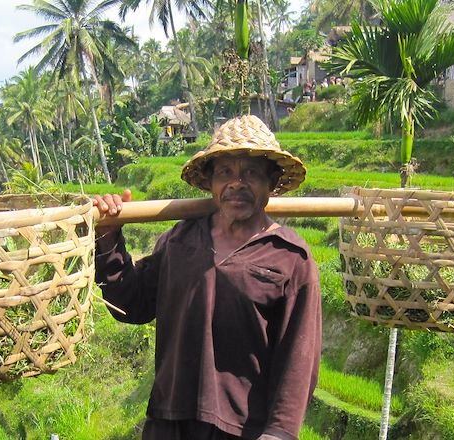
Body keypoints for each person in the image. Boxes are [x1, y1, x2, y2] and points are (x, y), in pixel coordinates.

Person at [92, 115, 321, 440]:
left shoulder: (290, 258)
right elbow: (131, 305)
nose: (236, 183)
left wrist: (280, 433)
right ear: (211, 182)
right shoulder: (179, 242)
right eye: (225, 172)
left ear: (270, 182)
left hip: (242, 430)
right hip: (169, 422)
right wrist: (108, 238)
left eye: (251, 173)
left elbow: (299, 358)